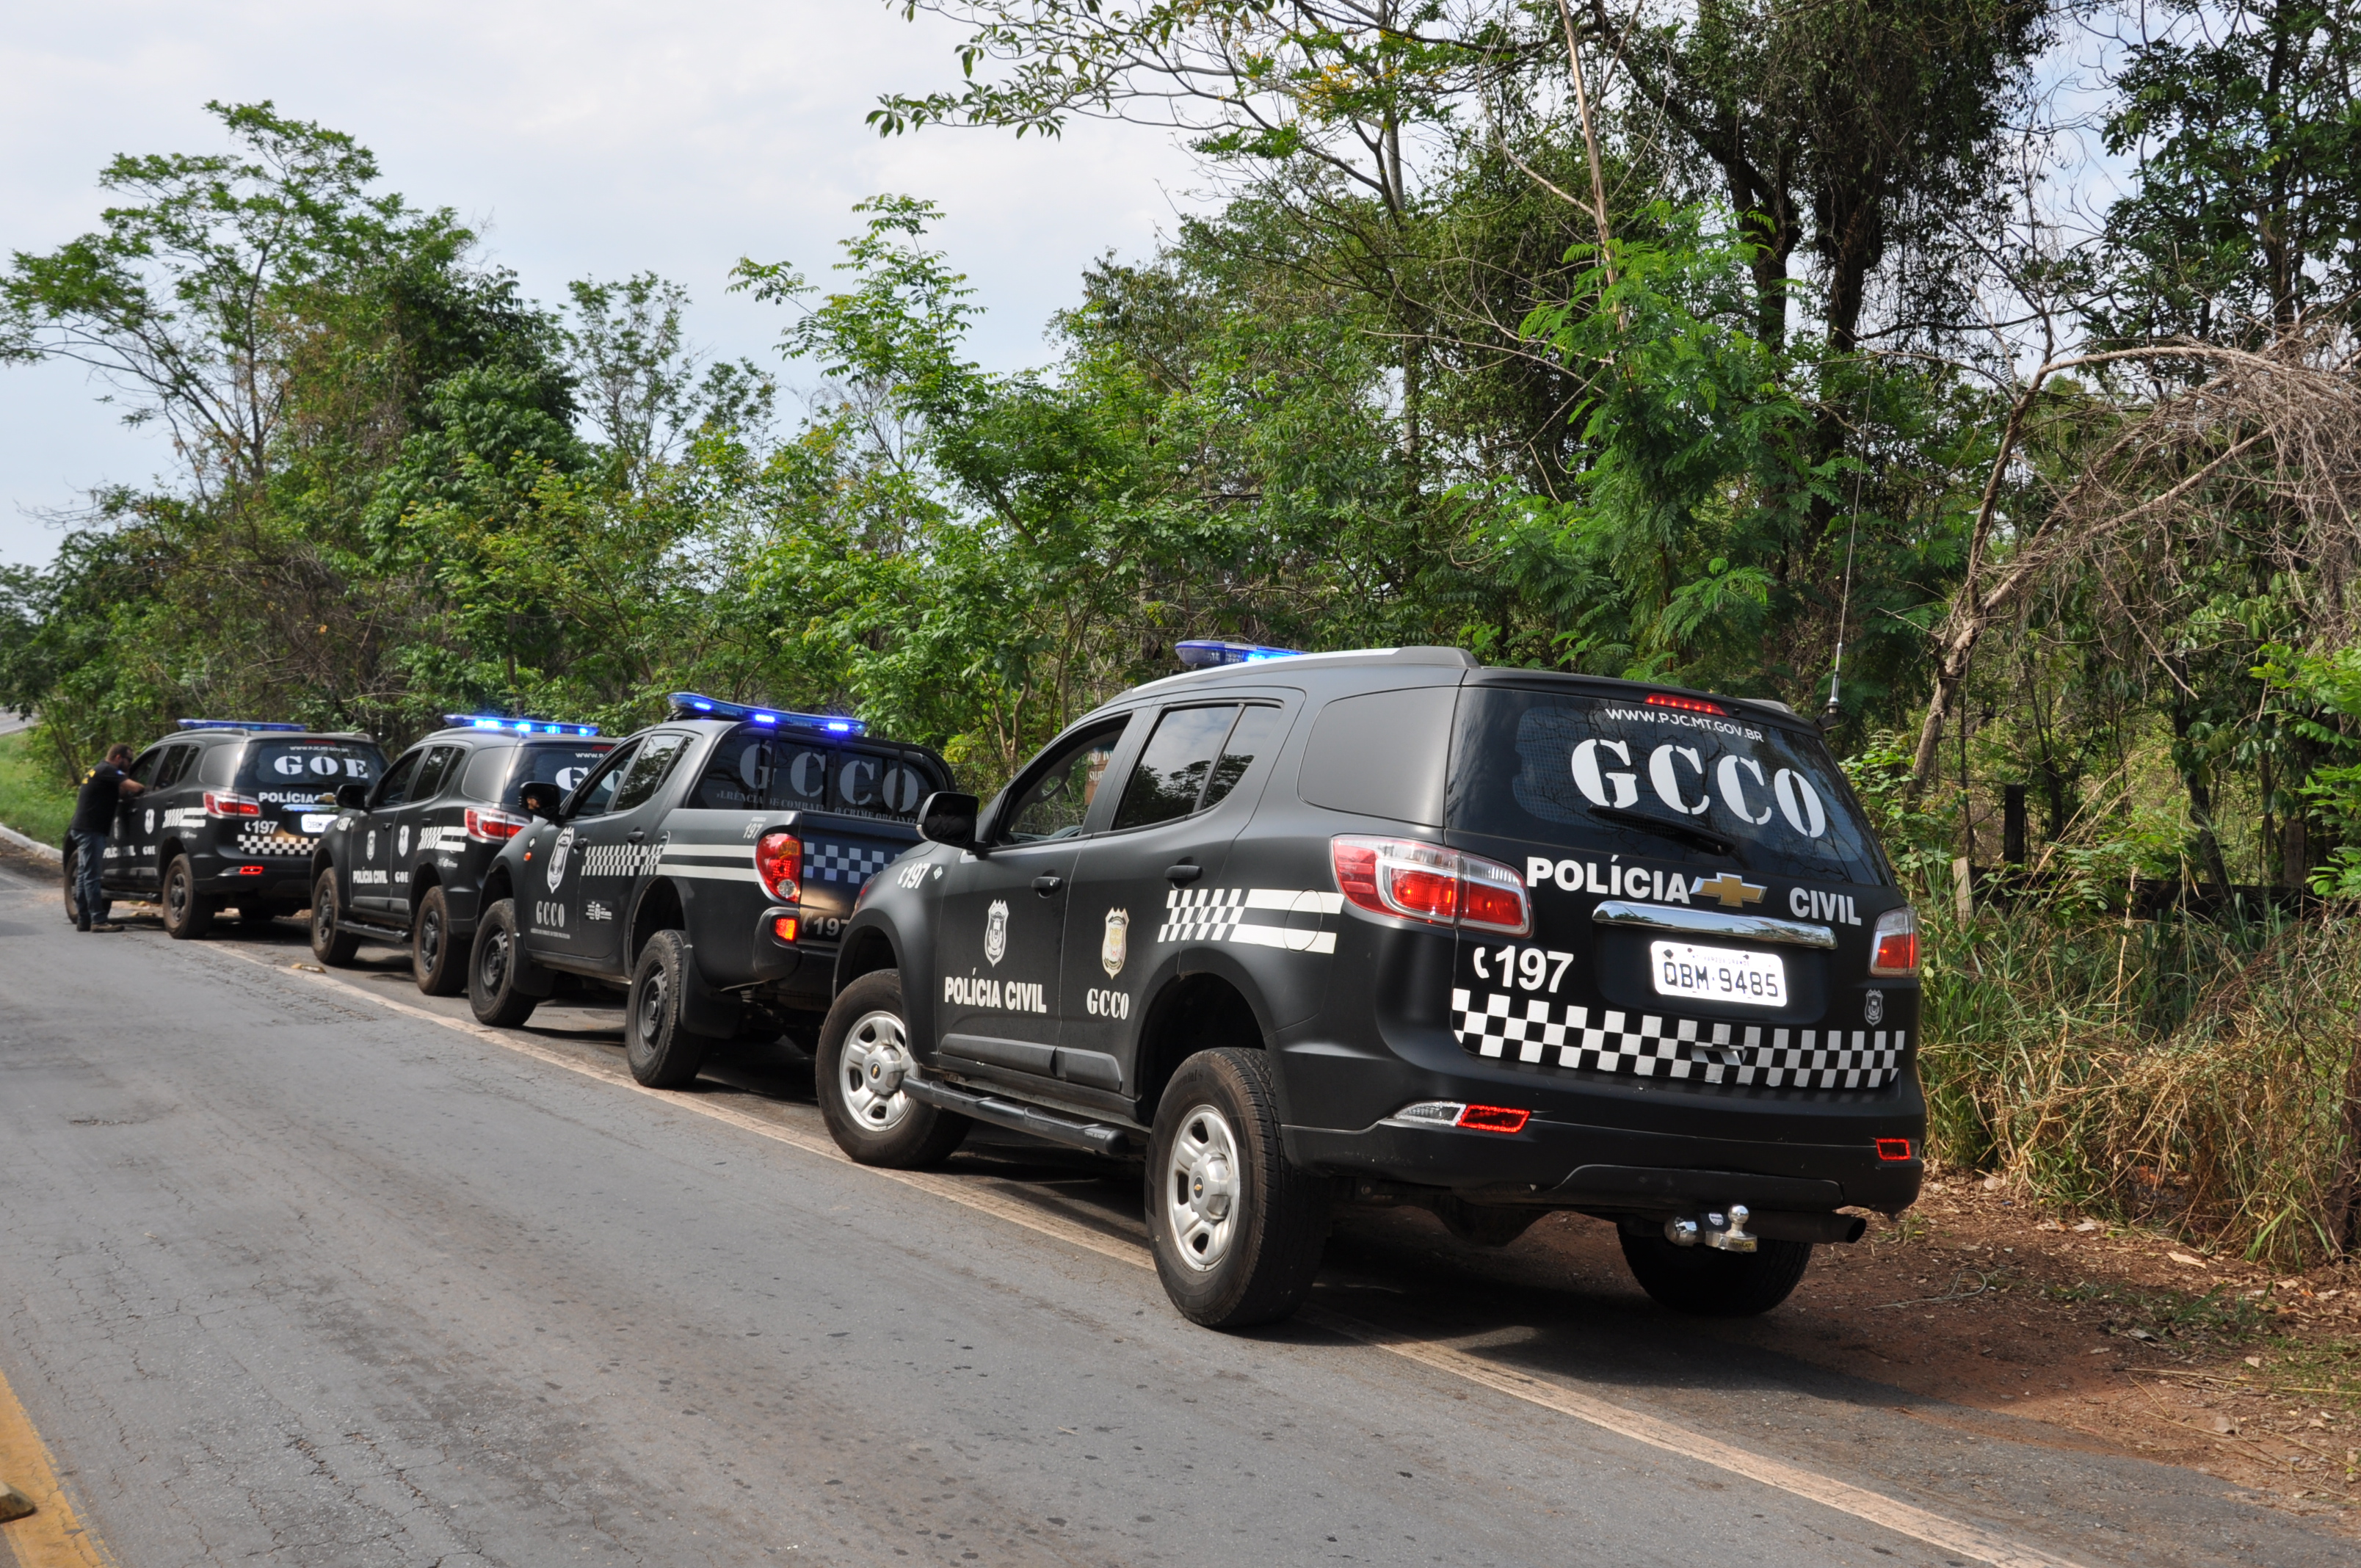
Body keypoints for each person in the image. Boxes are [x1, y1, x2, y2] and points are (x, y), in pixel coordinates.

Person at [69, 744, 144, 932]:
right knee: (93, 876)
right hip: (91, 830)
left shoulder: (99, 770)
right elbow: (135, 788)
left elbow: (120, 792)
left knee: (85, 875)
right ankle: (99, 921)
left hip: (82, 827)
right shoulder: (108, 770)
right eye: (129, 760)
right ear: (119, 758)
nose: (130, 764)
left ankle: (84, 919)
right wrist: (147, 787)